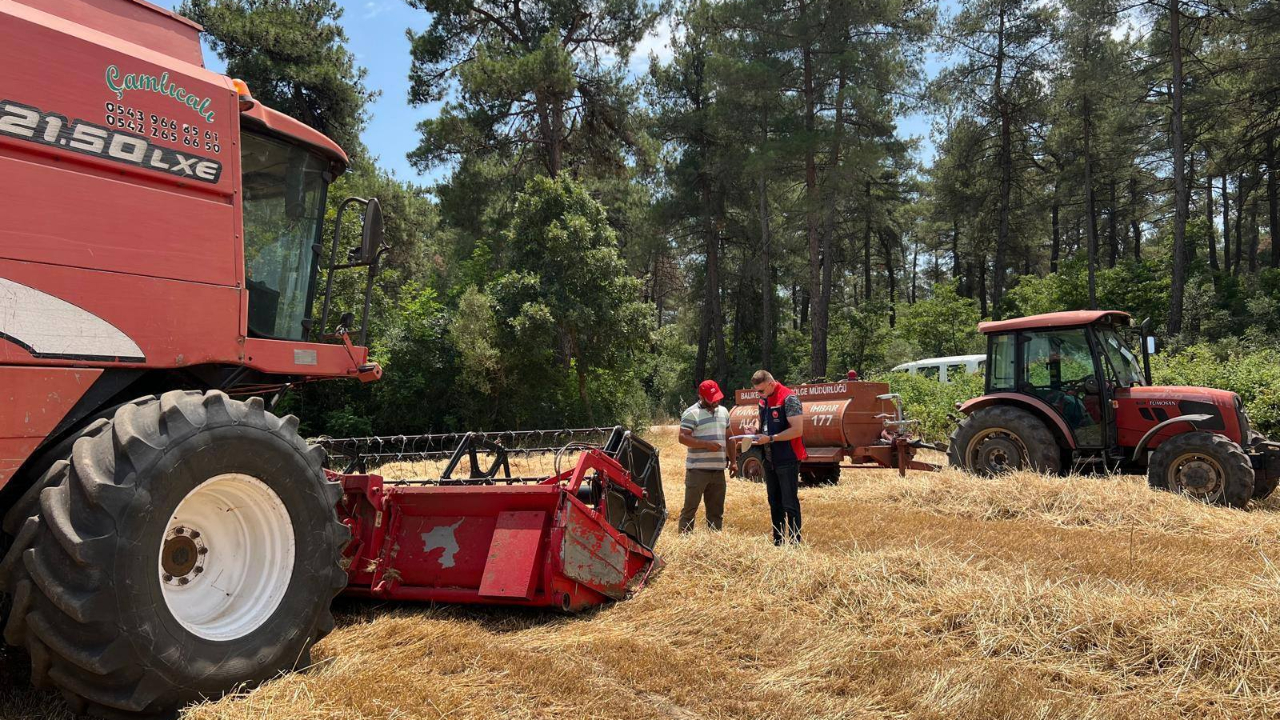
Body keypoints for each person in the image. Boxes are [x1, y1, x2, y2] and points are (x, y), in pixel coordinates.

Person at [750, 370, 806, 545]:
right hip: (769, 458)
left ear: (771, 383)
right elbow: (761, 420)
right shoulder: (763, 399)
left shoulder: (789, 399)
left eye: (761, 390)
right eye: (757, 391)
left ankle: (795, 542)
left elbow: (797, 430)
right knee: (774, 501)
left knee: (789, 502)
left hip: (787, 457)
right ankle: (778, 541)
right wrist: (755, 427)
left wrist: (771, 438)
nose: (759, 394)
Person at [677, 380, 731, 533]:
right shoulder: (691, 413)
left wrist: (733, 461)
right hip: (697, 470)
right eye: (711, 398)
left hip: (718, 470)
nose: (715, 401)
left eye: (717, 397)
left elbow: (729, 437)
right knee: (690, 509)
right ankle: (685, 540)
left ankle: (715, 539)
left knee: (716, 511)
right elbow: (682, 437)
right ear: (700, 396)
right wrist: (706, 444)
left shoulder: (724, 412)